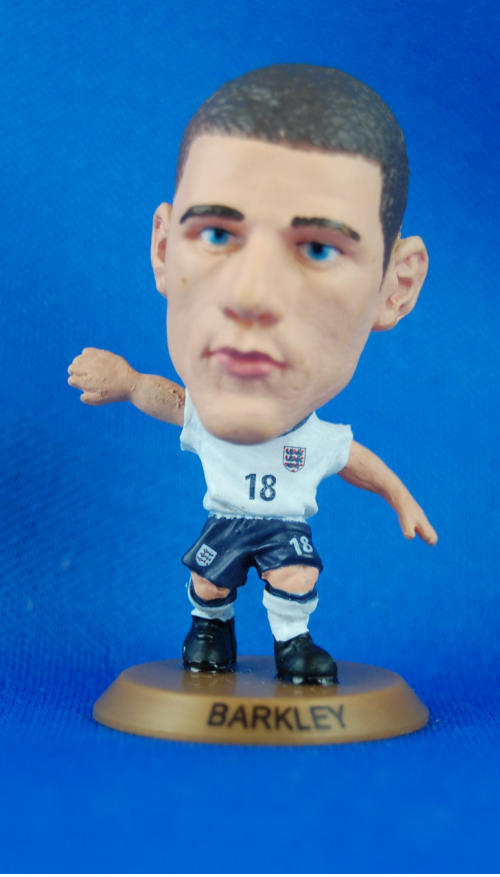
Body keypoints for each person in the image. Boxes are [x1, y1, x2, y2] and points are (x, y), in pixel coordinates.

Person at [68, 64, 437, 686]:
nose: (251, 295)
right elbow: (172, 401)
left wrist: (401, 497)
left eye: (318, 248)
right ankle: (209, 630)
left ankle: (294, 644)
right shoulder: (205, 418)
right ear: (164, 250)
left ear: (395, 287)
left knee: (297, 574)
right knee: (208, 581)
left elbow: (355, 462)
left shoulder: (313, 441)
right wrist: (129, 382)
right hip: (228, 519)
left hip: (283, 526)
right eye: (216, 233)